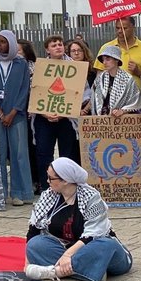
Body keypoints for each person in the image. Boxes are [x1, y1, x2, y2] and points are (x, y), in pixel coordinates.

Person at [23, 157, 134, 281]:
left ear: (65, 180)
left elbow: (93, 234)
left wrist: (68, 255)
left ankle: (55, 272)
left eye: (51, 178)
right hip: (68, 250)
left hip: (96, 249)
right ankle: (92, 270)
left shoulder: (91, 197)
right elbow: (34, 230)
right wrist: (27, 262)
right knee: (35, 244)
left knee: (107, 245)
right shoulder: (48, 196)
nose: (47, 181)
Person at [0, 30, 33, 205]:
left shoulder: (21, 63)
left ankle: (20, 193)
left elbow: (24, 90)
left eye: (3, 42)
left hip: (16, 115)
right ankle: (0, 192)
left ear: (11, 43)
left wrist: (12, 113)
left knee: (19, 154)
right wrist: (0, 113)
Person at [33, 35, 81, 186]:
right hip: (44, 118)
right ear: (47, 49)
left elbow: (79, 92)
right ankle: (47, 187)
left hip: (66, 119)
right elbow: (34, 93)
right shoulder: (39, 67)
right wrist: (44, 113)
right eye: (54, 45)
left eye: (60, 44)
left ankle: (69, 187)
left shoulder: (75, 66)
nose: (58, 47)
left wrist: (62, 114)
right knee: (44, 154)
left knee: (68, 155)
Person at [86, 47, 141, 116]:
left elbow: (135, 100)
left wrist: (122, 111)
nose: (104, 62)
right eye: (103, 60)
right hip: (102, 119)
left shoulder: (127, 79)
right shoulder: (100, 78)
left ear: (117, 60)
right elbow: (94, 97)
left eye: (108, 59)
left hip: (121, 120)